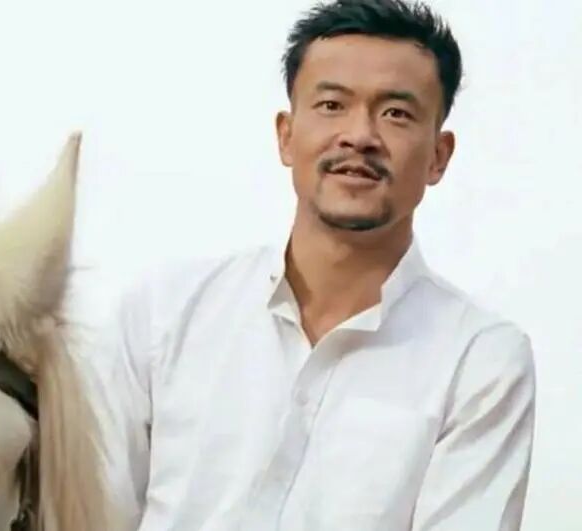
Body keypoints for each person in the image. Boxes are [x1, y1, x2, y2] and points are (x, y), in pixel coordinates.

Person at [94, 1, 536, 529]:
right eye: (331, 105)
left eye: (396, 113)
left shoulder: (480, 362)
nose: (360, 135)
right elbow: (88, 513)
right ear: (286, 135)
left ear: (439, 156)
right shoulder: (163, 314)